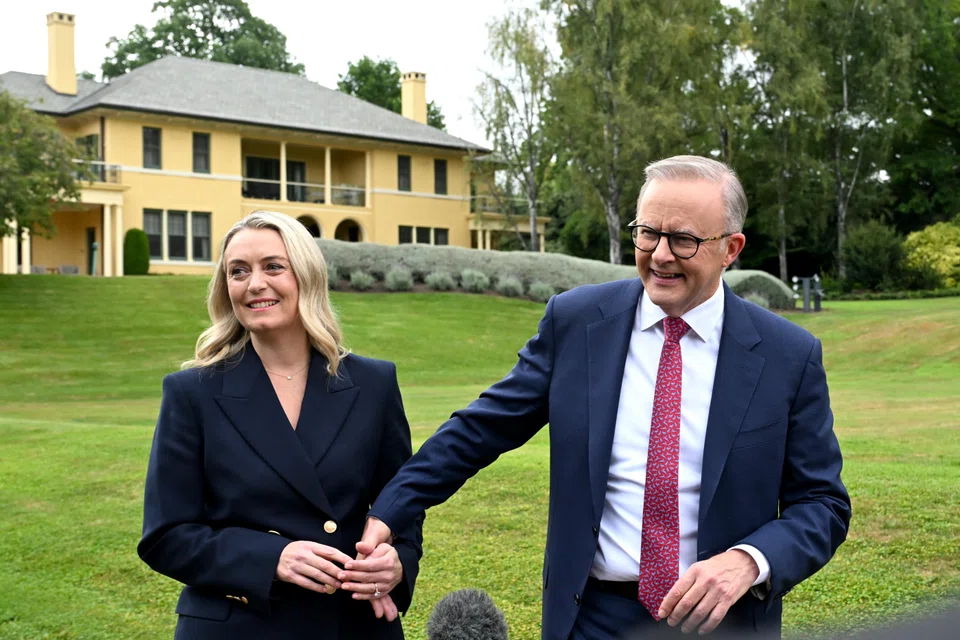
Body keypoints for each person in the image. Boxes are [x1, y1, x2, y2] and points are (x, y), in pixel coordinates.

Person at [357, 156, 851, 639]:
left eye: (683, 239)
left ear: (731, 248)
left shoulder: (788, 356)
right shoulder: (576, 323)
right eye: (647, 233)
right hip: (591, 618)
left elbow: (822, 504)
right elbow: (481, 429)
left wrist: (748, 561)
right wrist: (390, 510)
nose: (659, 254)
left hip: (723, 622)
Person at [137, 210, 423, 639]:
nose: (255, 284)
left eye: (273, 266)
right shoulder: (191, 392)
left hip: (350, 624)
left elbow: (401, 505)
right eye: (238, 271)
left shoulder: (374, 383)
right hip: (239, 626)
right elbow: (166, 536)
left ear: (306, 276)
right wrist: (273, 557)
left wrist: (397, 561)